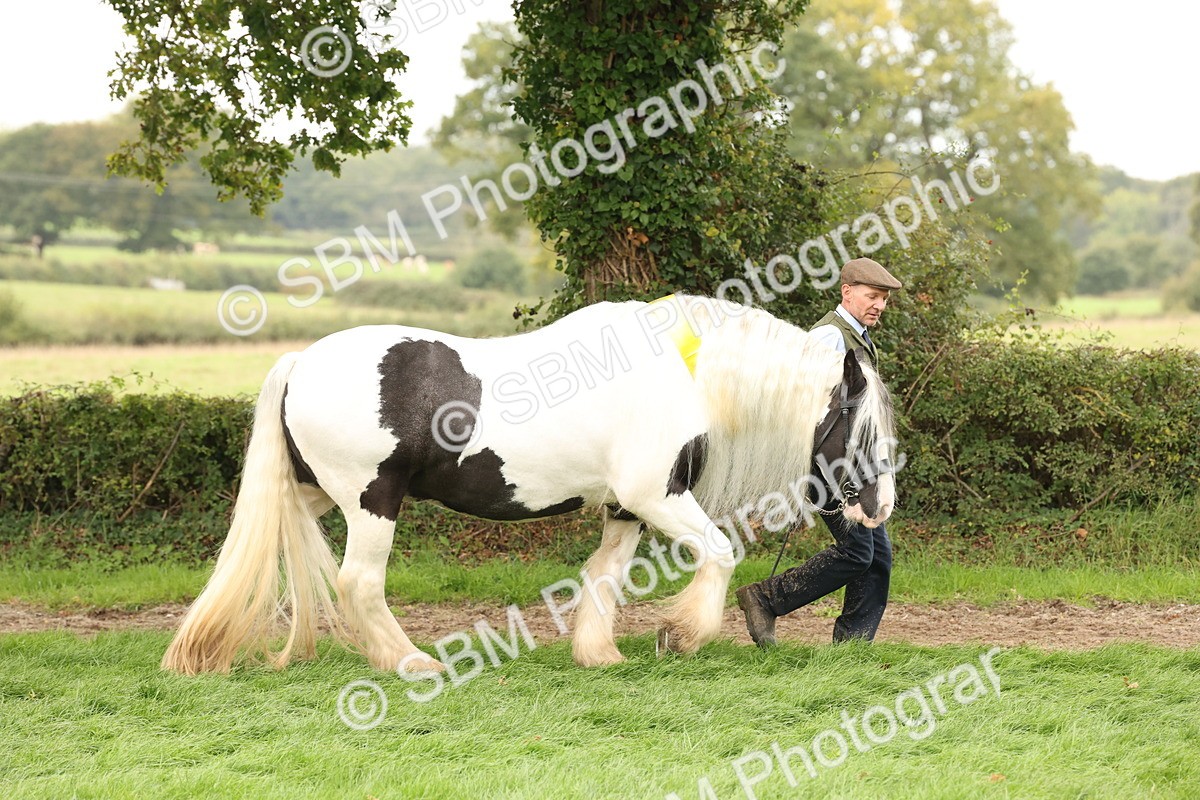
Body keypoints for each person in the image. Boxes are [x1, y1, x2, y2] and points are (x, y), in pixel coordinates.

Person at [735, 256, 902, 646]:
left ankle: (852, 646)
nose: (879, 305)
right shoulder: (829, 337)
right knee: (859, 553)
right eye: (872, 296)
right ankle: (765, 598)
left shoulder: (858, 335)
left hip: (850, 465)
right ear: (847, 292)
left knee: (877, 555)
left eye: (884, 299)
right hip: (826, 468)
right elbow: (797, 405)